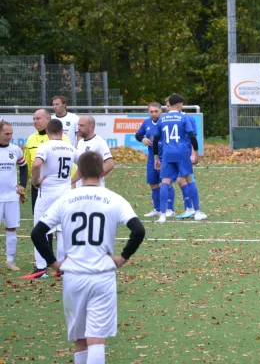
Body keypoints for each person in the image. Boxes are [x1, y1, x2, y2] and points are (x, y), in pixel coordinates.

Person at [30, 151, 146, 364]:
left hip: (73, 276)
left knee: (80, 338)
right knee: (97, 338)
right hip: (102, 275)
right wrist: (122, 257)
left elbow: (37, 233)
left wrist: (53, 262)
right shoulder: (114, 199)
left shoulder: (65, 199)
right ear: (102, 172)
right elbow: (138, 230)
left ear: (79, 172)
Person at [22, 119, 80, 279]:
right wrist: (72, 180)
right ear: (62, 132)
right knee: (62, 229)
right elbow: (84, 164)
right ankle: (62, 267)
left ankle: (41, 267)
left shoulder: (45, 146)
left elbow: (36, 165)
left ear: (47, 132)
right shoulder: (70, 147)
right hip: (65, 192)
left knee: (40, 228)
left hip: (47, 193)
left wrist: (35, 181)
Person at [153, 94, 205, 223]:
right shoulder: (183, 117)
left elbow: (155, 140)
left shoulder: (162, 119)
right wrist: (196, 153)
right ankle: (197, 211)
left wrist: (156, 157)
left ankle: (163, 215)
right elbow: (192, 136)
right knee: (189, 179)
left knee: (165, 182)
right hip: (182, 153)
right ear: (180, 104)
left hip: (167, 153)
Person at [134, 102, 174, 217]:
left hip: (164, 156)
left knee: (167, 183)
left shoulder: (165, 122)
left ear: (161, 111)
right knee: (153, 183)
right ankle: (157, 209)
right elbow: (138, 135)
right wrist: (142, 139)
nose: (154, 114)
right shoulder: (146, 123)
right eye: (151, 112)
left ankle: (170, 209)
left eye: (156, 111)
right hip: (152, 157)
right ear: (148, 112)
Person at [0, 121, 28, 271]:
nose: (10, 137)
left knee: (11, 229)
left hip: (11, 197)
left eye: (11, 133)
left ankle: (10, 260)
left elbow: (24, 167)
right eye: (6, 134)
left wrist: (22, 184)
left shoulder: (16, 150)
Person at [74, 116, 115, 187]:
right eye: (78, 125)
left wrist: (94, 178)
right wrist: (72, 182)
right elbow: (80, 167)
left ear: (91, 127)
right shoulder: (80, 142)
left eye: (82, 125)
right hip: (80, 188)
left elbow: (109, 164)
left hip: (95, 188)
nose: (78, 128)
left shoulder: (99, 142)